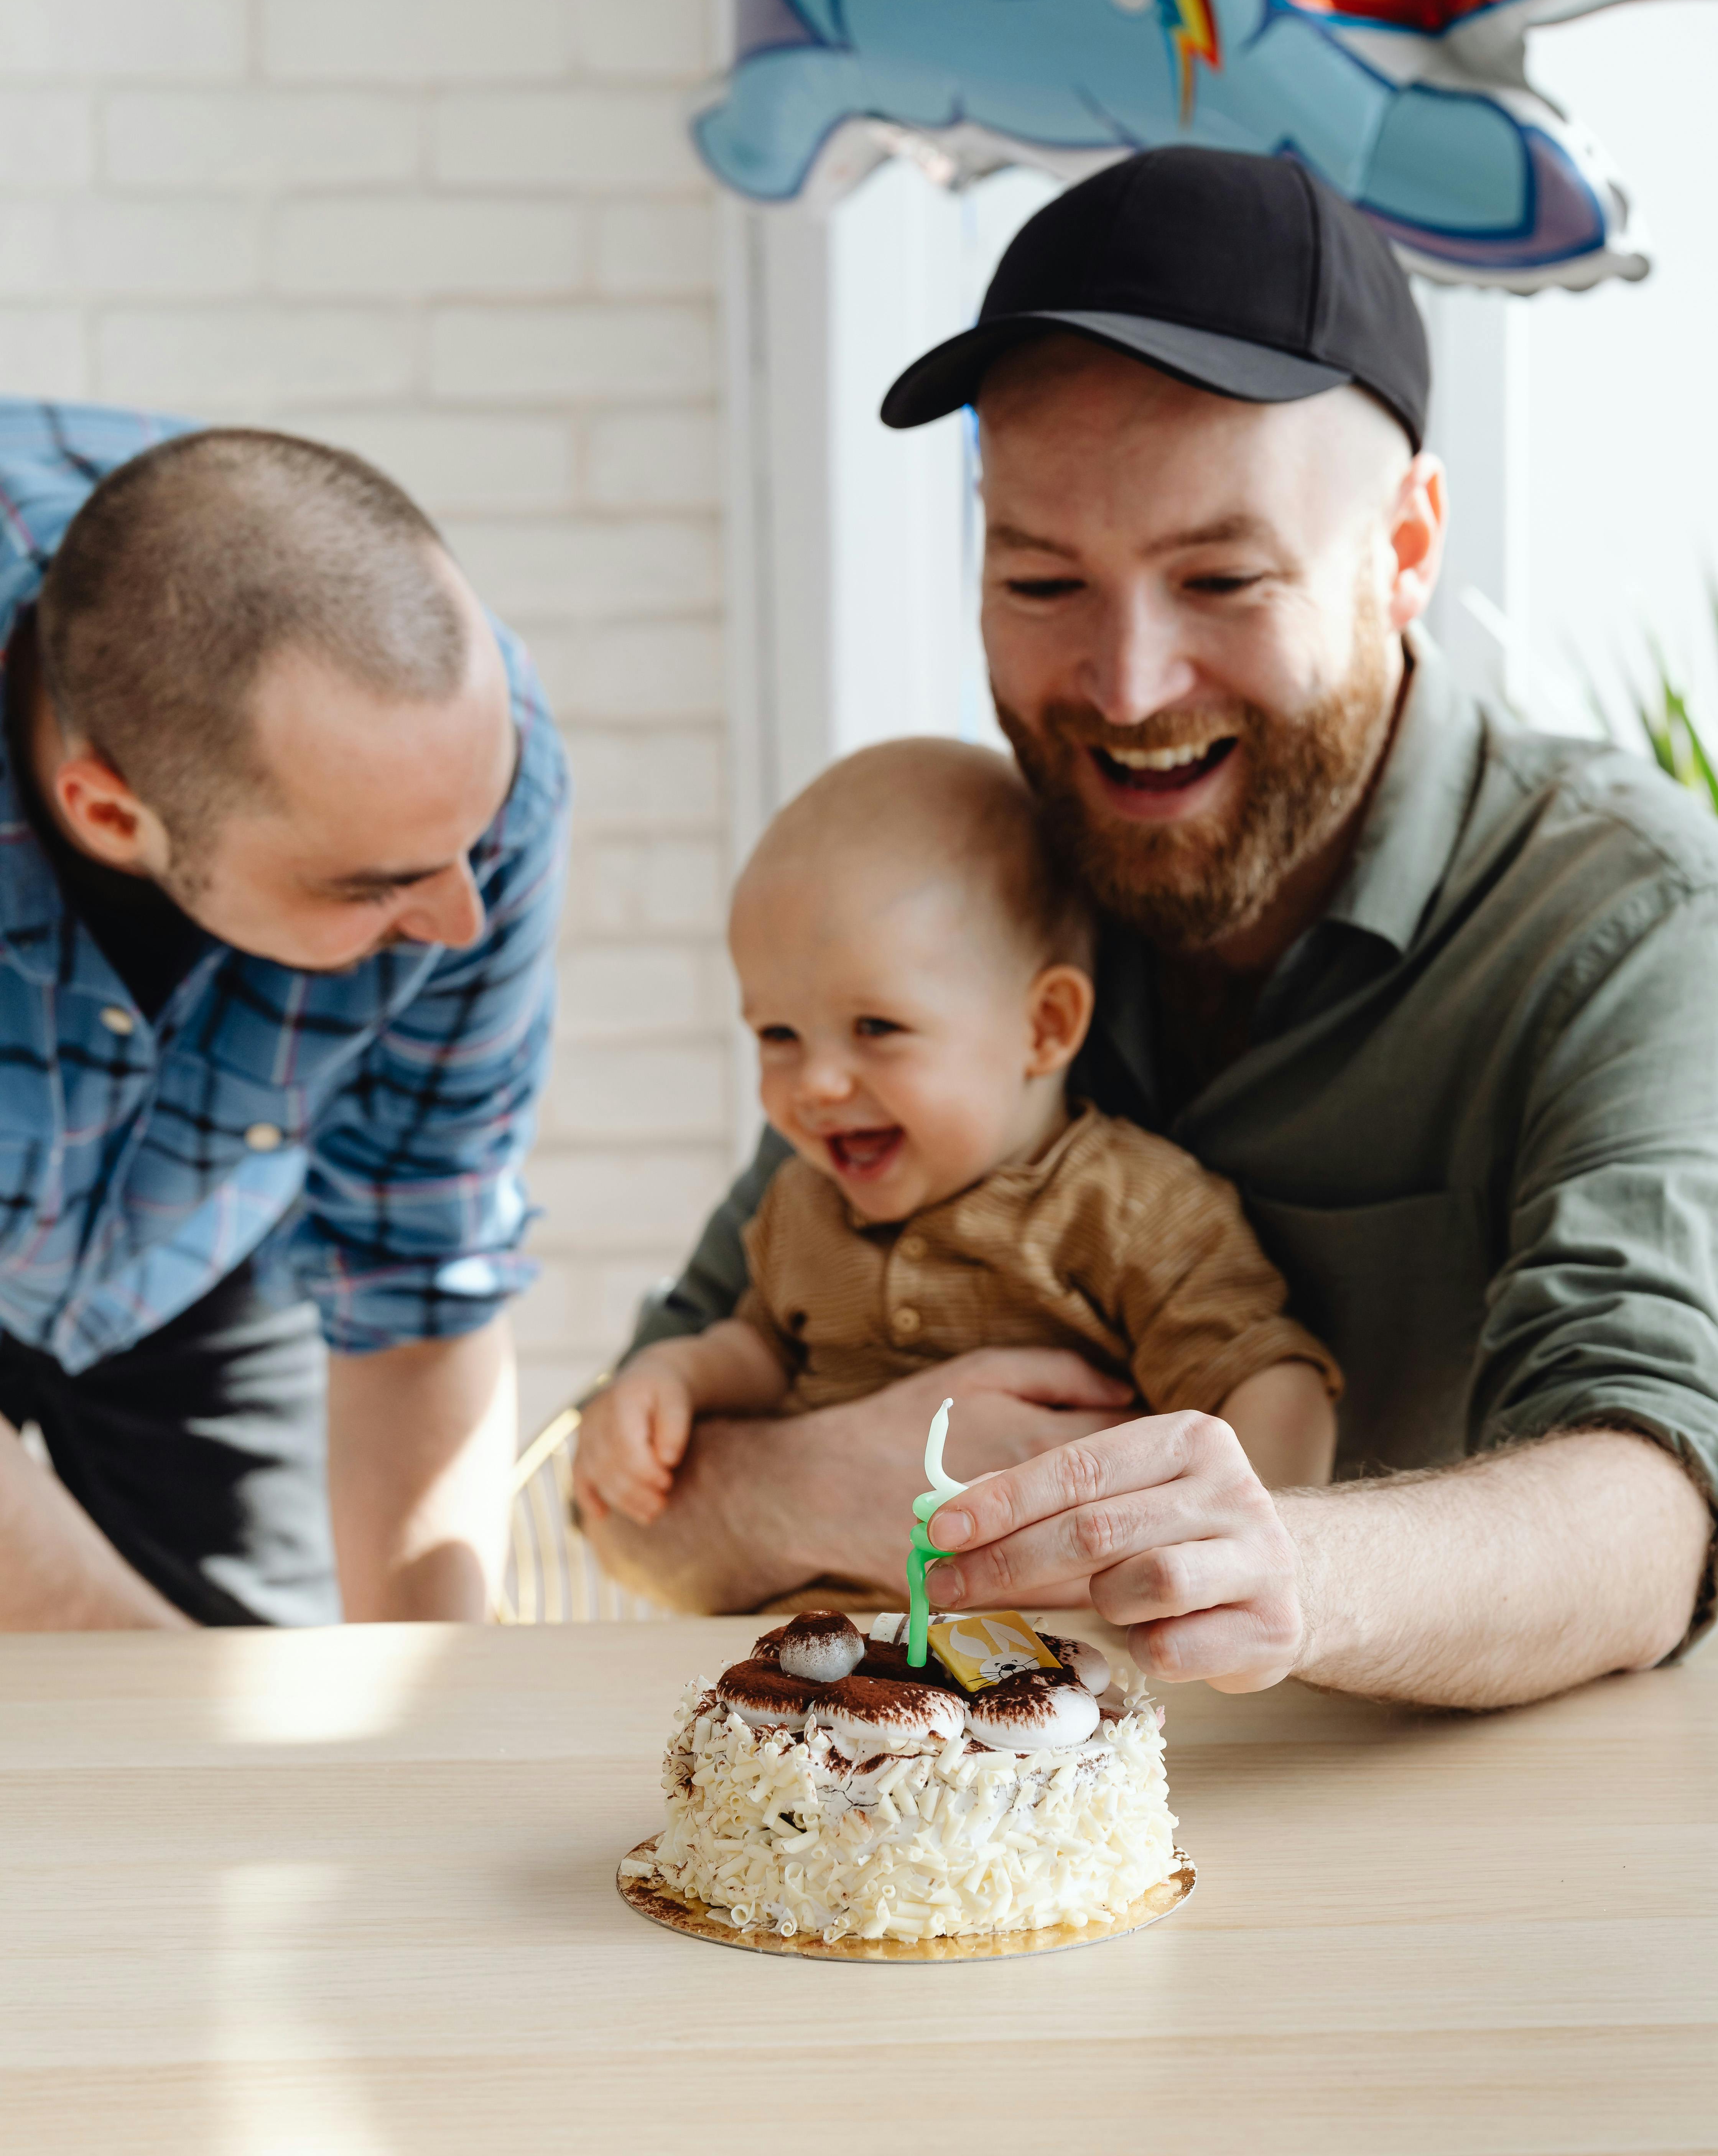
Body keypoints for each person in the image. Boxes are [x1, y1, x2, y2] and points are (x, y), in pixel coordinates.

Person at [578, 146, 1716, 1711]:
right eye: (1043, 581)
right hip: (965, 1845)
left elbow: (1653, 1515)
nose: (1125, 690)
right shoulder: (972, 884)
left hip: (1436, 1873)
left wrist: (1277, 1564)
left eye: (1221, 578)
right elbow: (631, 1501)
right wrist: (830, 1491)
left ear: (1403, 551)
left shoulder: (1629, 920)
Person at [0, 406, 568, 1629]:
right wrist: (170, 1706)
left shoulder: (459, 765)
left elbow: (420, 1264)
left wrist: (428, 1717)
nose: (462, 918)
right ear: (107, 815)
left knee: (277, 1685)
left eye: (472, 841)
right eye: (374, 885)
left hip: (184, 1240)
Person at [574, 737, 1340, 1551]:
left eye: (877, 1028)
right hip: (835, 1647)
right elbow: (763, 1349)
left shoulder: (1128, 1208)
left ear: (1043, 1027)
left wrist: (1248, 1556)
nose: (817, 1085)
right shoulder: (802, 1207)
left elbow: (1266, 1377)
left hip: (1065, 1650)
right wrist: (673, 1378)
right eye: (778, 1035)